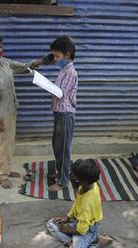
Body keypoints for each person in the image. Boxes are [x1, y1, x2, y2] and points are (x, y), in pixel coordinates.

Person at [0, 31, 39, 189]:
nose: (1, 49)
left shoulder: (4, 61)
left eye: (1, 46)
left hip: (11, 107)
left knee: (10, 141)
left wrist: (38, 62)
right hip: (2, 111)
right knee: (5, 143)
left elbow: (22, 67)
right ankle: (2, 174)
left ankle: (6, 168)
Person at [46, 159, 112, 248]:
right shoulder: (89, 185)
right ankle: (72, 243)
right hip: (79, 223)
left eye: (73, 175)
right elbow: (77, 204)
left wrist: (68, 230)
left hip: (87, 230)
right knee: (51, 223)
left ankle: (97, 245)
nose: (70, 176)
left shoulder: (87, 203)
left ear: (82, 181)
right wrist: (66, 219)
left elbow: (82, 230)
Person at [35, 35, 78, 192]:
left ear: (67, 55)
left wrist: (46, 84)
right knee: (57, 145)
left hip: (65, 115)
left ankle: (63, 181)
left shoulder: (70, 72)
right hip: (60, 113)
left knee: (63, 148)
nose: (55, 59)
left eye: (57, 56)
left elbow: (61, 93)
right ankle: (61, 173)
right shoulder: (63, 70)